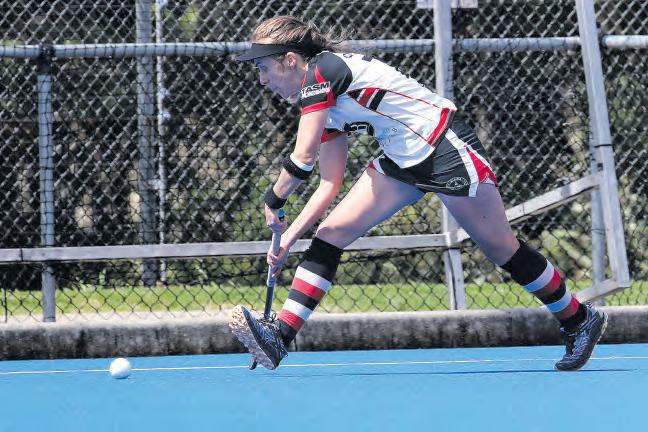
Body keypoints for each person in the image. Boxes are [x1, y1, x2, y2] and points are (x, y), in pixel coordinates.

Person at [228, 15, 607, 371]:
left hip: (443, 147)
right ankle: (280, 336)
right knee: (330, 234)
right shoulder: (319, 101)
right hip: (401, 160)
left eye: (264, 68)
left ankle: (578, 319)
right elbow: (330, 182)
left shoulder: (323, 72)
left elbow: (303, 159)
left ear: (290, 60)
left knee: (501, 249)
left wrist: (274, 200)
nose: (263, 81)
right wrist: (289, 238)